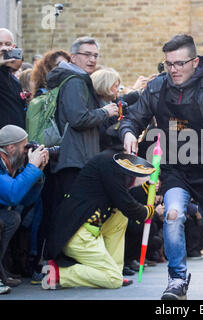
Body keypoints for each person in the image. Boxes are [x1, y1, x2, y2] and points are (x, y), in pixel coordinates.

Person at [119, 34, 203, 300]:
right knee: (173, 215)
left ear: (194, 62)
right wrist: (129, 132)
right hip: (176, 168)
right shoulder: (156, 88)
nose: (173, 70)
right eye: (169, 64)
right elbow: (134, 117)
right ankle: (177, 280)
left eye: (179, 63)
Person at [44, 141, 155, 290]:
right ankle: (59, 274)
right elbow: (126, 203)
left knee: (119, 217)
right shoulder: (109, 162)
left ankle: (115, 268)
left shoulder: (110, 160)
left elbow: (121, 201)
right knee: (113, 279)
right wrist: (147, 212)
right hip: (77, 234)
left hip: (86, 228)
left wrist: (143, 189)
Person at [45, 37, 119, 208]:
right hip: (74, 159)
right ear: (73, 57)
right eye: (87, 54)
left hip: (73, 157)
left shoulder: (78, 79)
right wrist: (105, 112)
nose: (92, 59)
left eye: (95, 55)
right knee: (72, 213)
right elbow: (78, 119)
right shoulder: (75, 81)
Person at [0, 125, 49, 293]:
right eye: (24, 146)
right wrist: (32, 168)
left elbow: (26, 199)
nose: (26, 151)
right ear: (11, 147)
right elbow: (12, 194)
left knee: (11, 217)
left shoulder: (11, 163)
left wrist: (38, 173)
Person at [0, 28, 27, 129]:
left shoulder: (13, 78)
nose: (4, 48)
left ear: (13, 47)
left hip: (16, 138)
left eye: (7, 44)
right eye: (0, 44)